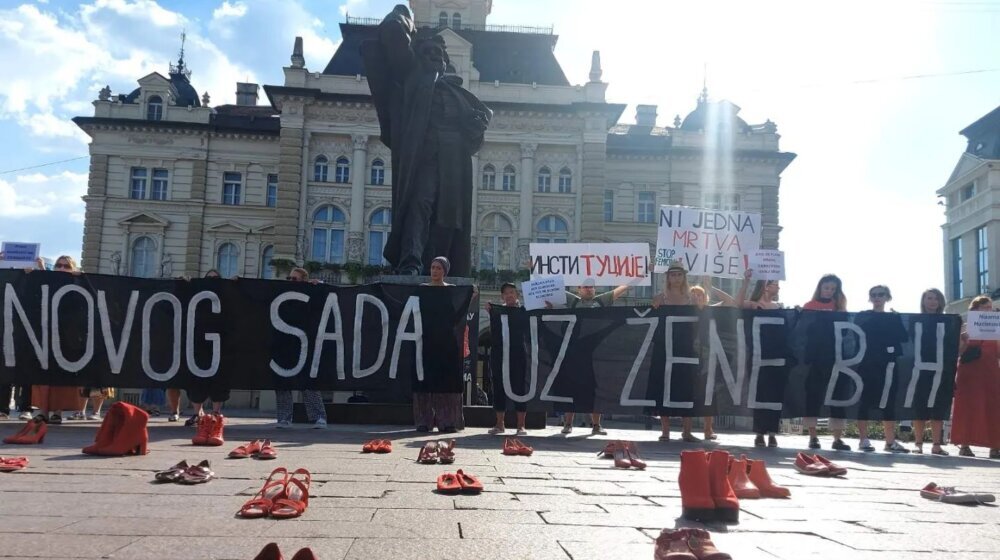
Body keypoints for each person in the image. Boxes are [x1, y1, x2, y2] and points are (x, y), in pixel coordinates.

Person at [362, 6, 492, 277]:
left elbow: (476, 129)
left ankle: (440, 268)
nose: (434, 57)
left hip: (454, 160)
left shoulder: (460, 94)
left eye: (438, 54)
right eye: (428, 53)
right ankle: (411, 262)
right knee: (419, 204)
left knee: (449, 219)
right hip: (424, 156)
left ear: (445, 62)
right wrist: (406, 15)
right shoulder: (412, 78)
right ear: (418, 58)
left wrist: (476, 125)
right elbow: (393, 31)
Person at [548, 278, 629, 435]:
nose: (589, 290)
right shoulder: (573, 300)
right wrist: (535, 269)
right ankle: (568, 423)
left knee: (595, 388)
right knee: (571, 387)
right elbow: (551, 285)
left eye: (591, 287)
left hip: (595, 352)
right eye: (585, 287)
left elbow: (622, 289)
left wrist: (641, 274)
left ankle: (596, 425)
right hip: (574, 352)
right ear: (579, 289)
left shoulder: (600, 301)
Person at [650, 262, 707, 442]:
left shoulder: (692, 297)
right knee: (663, 386)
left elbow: (701, 318)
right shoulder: (661, 297)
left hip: (686, 346)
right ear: (667, 277)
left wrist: (700, 307)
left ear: (684, 277)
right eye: (672, 275)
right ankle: (665, 431)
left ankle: (687, 431)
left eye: (679, 275)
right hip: (664, 346)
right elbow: (653, 317)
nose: (676, 278)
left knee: (687, 387)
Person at [413, 256, 469, 432]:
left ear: (444, 271)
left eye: (438, 268)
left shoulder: (452, 291)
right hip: (426, 339)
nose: (435, 271)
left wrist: (470, 296)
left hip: (447, 341)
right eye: (432, 267)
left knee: (446, 380)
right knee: (425, 380)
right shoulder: (422, 290)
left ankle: (447, 421)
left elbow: (457, 314)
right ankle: (424, 420)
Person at [29, 255, 86, 424]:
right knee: (43, 374)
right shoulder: (47, 280)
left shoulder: (76, 283)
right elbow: (37, 288)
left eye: (66, 266)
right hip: (44, 333)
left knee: (61, 374)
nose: (61, 269)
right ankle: (42, 411)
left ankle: (57, 412)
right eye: (58, 265)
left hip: (67, 336)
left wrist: (80, 277)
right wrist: (36, 271)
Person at [856, 285, 910, 453]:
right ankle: (863, 439)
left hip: (889, 364)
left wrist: (895, 318)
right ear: (870, 298)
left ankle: (890, 441)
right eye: (874, 295)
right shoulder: (863, 316)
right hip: (867, 363)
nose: (877, 297)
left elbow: (904, 337)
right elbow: (855, 333)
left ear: (887, 297)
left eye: (881, 294)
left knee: (889, 400)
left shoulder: (893, 317)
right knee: (865, 399)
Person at [801, 273, 850, 451]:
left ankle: (837, 438)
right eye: (827, 287)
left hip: (836, 359)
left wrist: (842, 310)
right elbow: (803, 331)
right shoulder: (809, 306)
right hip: (814, 359)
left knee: (838, 397)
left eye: (833, 289)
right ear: (820, 287)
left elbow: (845, 332)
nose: (829, 291)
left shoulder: (839, 307)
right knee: (813, 396)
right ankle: (813, 437)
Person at [737, 268, 784, 448]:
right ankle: (759, 433)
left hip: (776, 355)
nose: (778, 288)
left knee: (774, 394)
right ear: (765, 287)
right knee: (758, 393)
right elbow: (738, 303)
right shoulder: (753, 305)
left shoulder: (779, 307)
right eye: (775, 285)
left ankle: (772, 432)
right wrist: (746, 282)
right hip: (756, 354)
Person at [275, 267, 328, 429]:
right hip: (284, 343)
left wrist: (318, 284)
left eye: (295, 279)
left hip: (305, 343)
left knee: (308, 382)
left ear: (303, 281)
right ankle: (284, 418)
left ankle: (319, 417)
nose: (291, 282)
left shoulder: (309, 293)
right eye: (289, 278)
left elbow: (327, 295)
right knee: (283, 382)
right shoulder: (279, 294)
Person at [951, 296, 1000, 459]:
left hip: (990, 372)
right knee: (968, 406)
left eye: (990, 307)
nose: (988, 310)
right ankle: (964, 444)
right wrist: (964, 338)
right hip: (969, 373)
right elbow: (958, 351)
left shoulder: (995, 328)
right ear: (975, 309)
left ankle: (995, 446)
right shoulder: (965, 327)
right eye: (985, 307)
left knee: (993, 407)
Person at [911, 289, 949, 455]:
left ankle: (936, 445)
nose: (932, 301)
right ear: (923, 300)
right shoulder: (914, 320)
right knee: (919, 406)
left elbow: (953, 347)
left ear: (941, 302)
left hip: (941, 368)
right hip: (918, 369)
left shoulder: (949, 321)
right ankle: (918, 443)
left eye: (936, 299)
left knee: (938, 407)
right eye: (929, 298)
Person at [487, 282, 527, 436]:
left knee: (519, 387)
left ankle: (521, 425)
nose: (509, 295)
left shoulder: (524, 311)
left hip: (518, 354)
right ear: (502, 296)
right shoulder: (497, 312)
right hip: (500, 354)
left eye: (512, 292)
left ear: (517, 295)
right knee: (498, 386)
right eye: (506, 293)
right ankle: (499, 424)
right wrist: (491, 311)